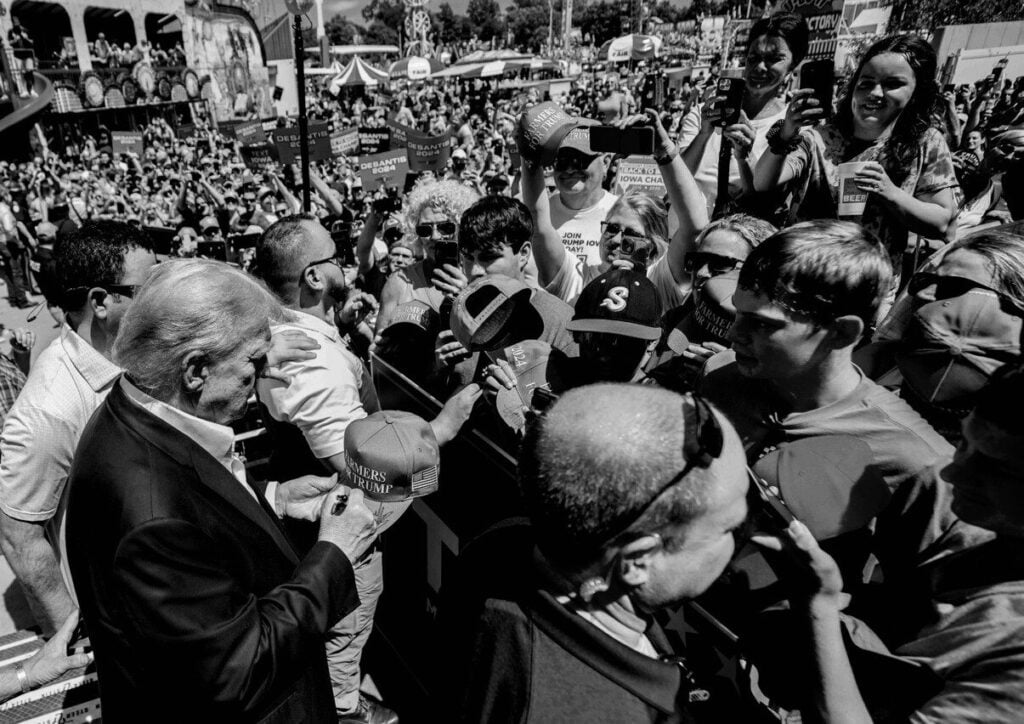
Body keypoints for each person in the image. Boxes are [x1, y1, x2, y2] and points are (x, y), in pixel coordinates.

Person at [66, 258, 380, 722]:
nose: (260, 379)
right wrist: (336, 549)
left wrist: (272, 498)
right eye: (253, 362)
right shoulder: (154, 518)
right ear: (195, 371)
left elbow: (200, 508)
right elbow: (240, 669)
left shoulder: (136, 407)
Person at [254, 214, 479, 722]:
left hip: (315, 526)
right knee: (344, 633)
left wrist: (342, 325)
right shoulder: (312, 361)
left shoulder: (298, 333)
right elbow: (360, 467)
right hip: (337, 529)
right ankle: (344, 710)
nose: (346, 261)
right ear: (313, 276)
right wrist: (442, 427)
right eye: (333, 256)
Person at [700, 221, 986, 616]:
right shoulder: (723, 380)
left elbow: (937, 609)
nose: (735, 334)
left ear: (841, 332)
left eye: (763, 324)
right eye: (739, 313)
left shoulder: (914, 459)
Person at [459, 384, 750, 722]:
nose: (746, 539)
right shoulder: (595, 713)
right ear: (638, 561)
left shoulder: (499, 548)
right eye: (729, 529)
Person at [757, 362, 1024, 723]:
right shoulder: (944, 497)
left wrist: (816, 604)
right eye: (964, 443)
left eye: (993, 468)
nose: (953, 471)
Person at [0, 221, 157, 635]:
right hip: (118, 624)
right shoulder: (49, 408)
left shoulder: (133, 352)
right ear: (101, 301)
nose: (162, 300)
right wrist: (73, 639)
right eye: (148, 290)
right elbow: (20, 538)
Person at [754, 35, 960, 283]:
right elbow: (762, 183)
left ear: (917, 92)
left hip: (869, 287)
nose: (874, 93)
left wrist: (891, 193)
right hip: (804, 277)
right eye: (866, 83)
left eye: (892, 84)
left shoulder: (926, 142)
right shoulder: (820, 138)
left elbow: (940, 222)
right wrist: (786, 132)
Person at [523, 110, 708, 311]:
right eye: (611, 229)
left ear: (653, 247)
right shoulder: (577, 278)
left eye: (631, 233)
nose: (616, 240)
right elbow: (537, 219)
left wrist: (664, 150)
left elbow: (695, 227)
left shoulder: (660, 280)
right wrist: (530, 151)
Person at [680, 12, 809, 215]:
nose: (759, 67)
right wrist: (703, 135)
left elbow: (765, 195)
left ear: (794, 63)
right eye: (753, 58)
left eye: (774, 59)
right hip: (683, 237)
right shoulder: (702, 114)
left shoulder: (793, 129)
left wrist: (745, 157)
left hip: (738, 242)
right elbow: (678, 178)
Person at [376, 178, 479, 331]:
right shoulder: (400, 282)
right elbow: (377, 350)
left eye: (445, 227)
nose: (435, 236)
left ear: (460, 227)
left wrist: (465, 298)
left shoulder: (480, 275)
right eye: (425, 229)